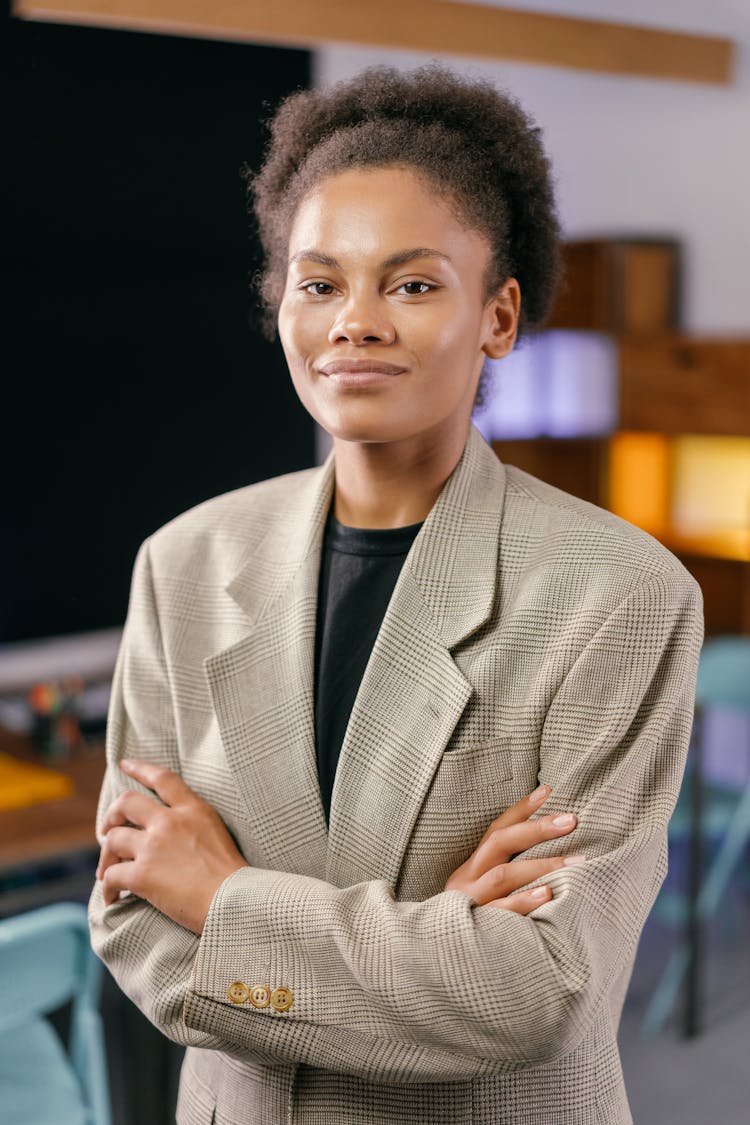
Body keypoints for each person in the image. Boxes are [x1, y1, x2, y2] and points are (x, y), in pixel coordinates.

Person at [90, 65, 703, 1124]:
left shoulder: (621, 593)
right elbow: (134, 925)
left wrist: (224, 901)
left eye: (412, 284)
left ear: (499, 317)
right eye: (319, 282)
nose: (355, 322)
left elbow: (536, 989)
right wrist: (429, 943)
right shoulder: (182, 562)